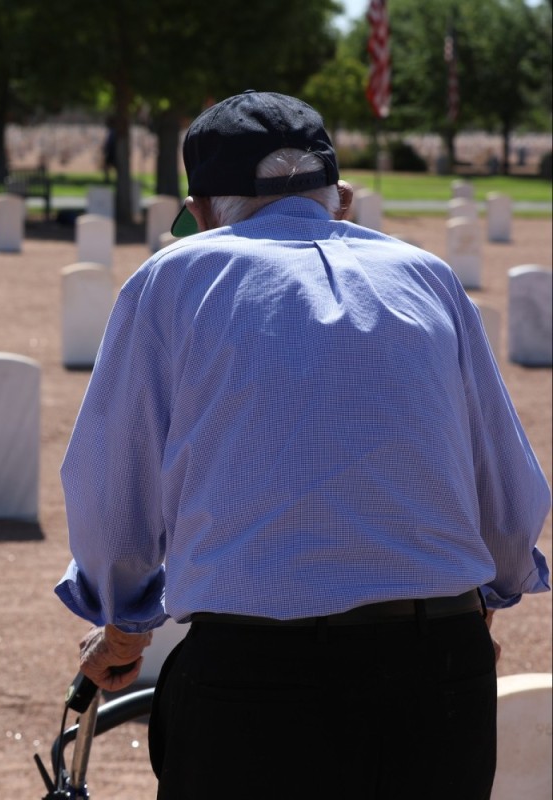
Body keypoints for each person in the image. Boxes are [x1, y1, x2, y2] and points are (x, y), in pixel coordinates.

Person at [55, 90, 550, 799]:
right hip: (439, 669)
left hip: (254, 675)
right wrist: (471, 610)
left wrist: (125, 625)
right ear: (340, 199)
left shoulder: (171, 279)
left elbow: (112, 505)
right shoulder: (428, 277)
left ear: (200, 211)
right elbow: (507, 496)